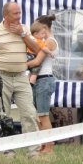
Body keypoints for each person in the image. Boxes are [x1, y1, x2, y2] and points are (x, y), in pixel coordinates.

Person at [0, 1, 41, 158]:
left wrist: (23, 34)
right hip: (3, 76)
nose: (19, 16)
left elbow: (37, 49)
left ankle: (34, 152)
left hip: (21, 76)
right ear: (5, 16)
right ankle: (8, 151)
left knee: (29, 112)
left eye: (20, 13)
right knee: (2, 114)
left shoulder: (24, 29)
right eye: (15, 13)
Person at [26, 15, 58, 154]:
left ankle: (49, 146)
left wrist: (20, 65)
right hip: (40, 80)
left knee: (43, 115)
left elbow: (37, 62)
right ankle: (44, 144)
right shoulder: (44, 41)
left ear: (44, 28)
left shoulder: (50, 42)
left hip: (44, 79)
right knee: (39, 115)